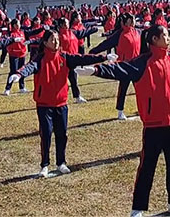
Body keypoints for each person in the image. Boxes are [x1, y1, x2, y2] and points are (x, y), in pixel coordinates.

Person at [76, 24, 170, 217]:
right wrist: (96, 70)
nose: (168, 38)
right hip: (154, 124)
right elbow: (119, 69)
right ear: (154, 39)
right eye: (165, 35)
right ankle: (138, 208)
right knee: (147, 167)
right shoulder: (142, 62)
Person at [8, 29, 116, 177]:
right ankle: (44, 165)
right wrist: (19, 74)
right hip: (44, 105)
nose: (56, 42)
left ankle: (61, 163)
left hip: (61, 103)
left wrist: (103, 57)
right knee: (46, 135)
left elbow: (82, 58)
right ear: (45, 42)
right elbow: (29, 67)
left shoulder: (64, 57)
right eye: (52, 39)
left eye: (57, 39)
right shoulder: (40, 58)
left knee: (62, 134)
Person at [89, 13, 142, 120]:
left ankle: (142, 109)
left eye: (133, 19)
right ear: (125, 22)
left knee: (141, 89)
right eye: (131, 19)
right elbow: (106, 44)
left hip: (136, 65)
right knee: (123, 89)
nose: (133, 21)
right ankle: (120, 111)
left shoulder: (138, 31)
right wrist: (93, 52)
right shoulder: (120, 34)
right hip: (124, 66)